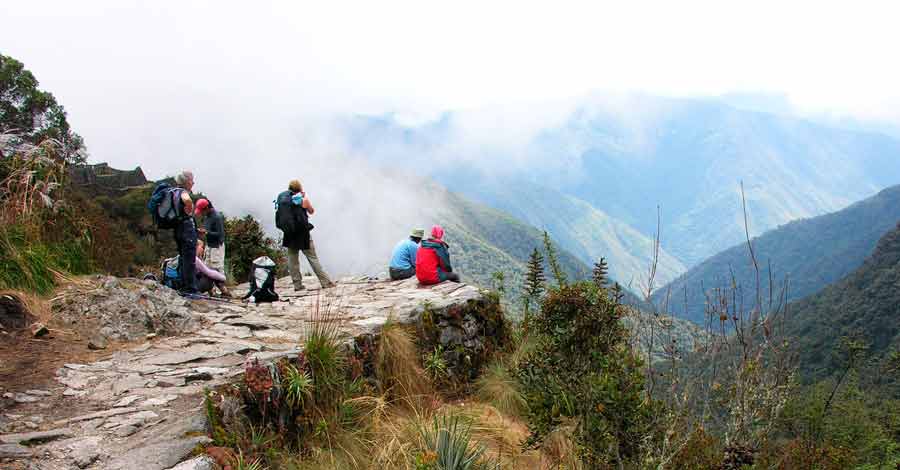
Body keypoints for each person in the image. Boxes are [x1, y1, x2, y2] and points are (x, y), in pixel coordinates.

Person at [275, 179, 335, 291]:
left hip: (289, 233)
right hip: (303, 233)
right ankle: (326, 282)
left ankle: (297, 285)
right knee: (312, 258)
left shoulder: (283, 199)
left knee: (293, 260)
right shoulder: (302, 199)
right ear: (299, 189)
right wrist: (304, 198)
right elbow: (311, 211)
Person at [195, 198, 231, 297]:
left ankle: (225, 291)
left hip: (217, 247)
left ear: (206, 208)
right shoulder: (207, 217)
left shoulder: (217, 217)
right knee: (207, 269)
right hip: (209, 246)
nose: (201, 213)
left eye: (202, 211)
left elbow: (220, 234)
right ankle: (212, 291)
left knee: (216, 269)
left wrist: (207, 233)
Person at [173, 171, 198, 294]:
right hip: (186, 229)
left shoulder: (174, 192)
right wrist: (189, 213)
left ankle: (183, 286)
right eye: (191, 180)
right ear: (186, 181)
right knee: (189, 259)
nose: (193, 182)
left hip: (178, 228)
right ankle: (191, 289)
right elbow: (187, 201)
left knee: (183, 258)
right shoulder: (183, 192)